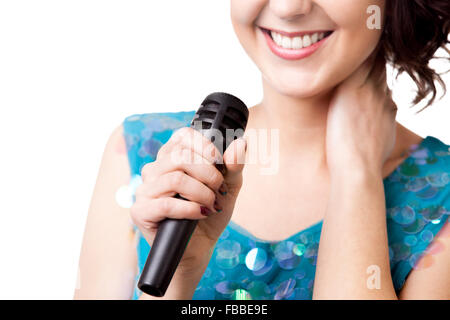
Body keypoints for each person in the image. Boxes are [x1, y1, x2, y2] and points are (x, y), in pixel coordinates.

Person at [74, 0, 450, 300]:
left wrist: (356, 177)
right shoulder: (141, 154)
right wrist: (179, 280)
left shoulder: (441, 197)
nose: (289, 8)